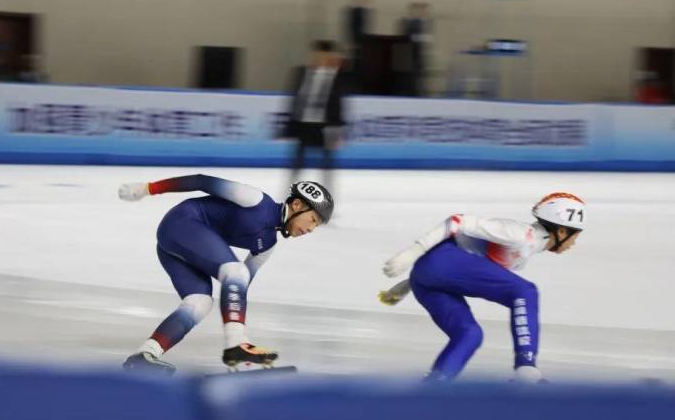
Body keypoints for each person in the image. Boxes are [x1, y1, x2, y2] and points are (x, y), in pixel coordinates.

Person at [117, 175, 334, 373]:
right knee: (235, 270)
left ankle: (145, 354)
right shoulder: (256, 200)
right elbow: (200, 181)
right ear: (297, 205)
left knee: (199, 303)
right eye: (313, 220)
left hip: (175, 247)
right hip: (182, 222)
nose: (311, 229)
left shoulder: (267, 245)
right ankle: (236, 348)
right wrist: (148, 188)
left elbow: (239, 289)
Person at [378, 192, 586, 382]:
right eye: (575, 236)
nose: (574, 243)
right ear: (560, 230)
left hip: (428, 279)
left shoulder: (523, 255)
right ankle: (526, 369)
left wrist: (408, 284)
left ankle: (432, 387)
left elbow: (467, 268)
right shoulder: (520, 234)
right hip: (438, 263)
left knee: (470, 335)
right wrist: (412, 252)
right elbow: (457, 221)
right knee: (525, 291)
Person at [283, 40, 347, 194]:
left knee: (326, 167)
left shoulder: (337, 77)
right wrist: (289, 126)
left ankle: (326, 199)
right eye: (317, 54)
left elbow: (338, 104)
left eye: (324, 54)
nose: (319, 57)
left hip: (325, 127)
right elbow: (294, 100)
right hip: (304, 124)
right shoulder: (301, 73)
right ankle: (291, 196)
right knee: (297, 165)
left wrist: (338, 130)